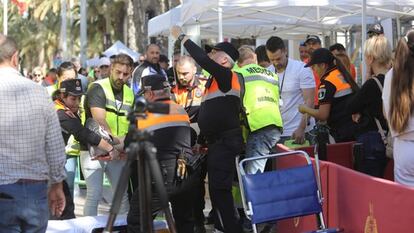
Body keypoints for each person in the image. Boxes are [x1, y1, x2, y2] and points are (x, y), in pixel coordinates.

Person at [171, 25, 244, 233]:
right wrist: (202, 141)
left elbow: (201, 60)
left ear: (224, 60)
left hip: (225, 142)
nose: (209, 54)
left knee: (220, 191)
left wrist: (182, 38)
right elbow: (212, 115)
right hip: (215, 143)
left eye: (214, 51)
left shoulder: (226, 75)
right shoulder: (215, 81)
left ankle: (231, 228)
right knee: (217, 191)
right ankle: (225, 227)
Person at [0, 33, 66, 231]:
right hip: (35, 190)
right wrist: (58, 184)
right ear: (15, 57)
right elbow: (55, 144)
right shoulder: (39, 92)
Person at [127, 74, 197, 233]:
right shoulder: (180, 109)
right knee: (184, 220)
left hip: (161, 174)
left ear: (150, 94)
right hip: (186, 171)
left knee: (137, 220)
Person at [81, 53, 134, 216]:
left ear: (131, 72)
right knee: (94, 195)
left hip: (118, 151)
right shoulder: (98, 87)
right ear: (111, 69)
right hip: (94, 148)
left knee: (122, 196)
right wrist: (116, 147)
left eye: (125, 74)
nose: (121, 77)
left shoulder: (130, 93)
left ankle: (123, 228)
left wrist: (121, 148)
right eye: (118, 72)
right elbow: (100, 122)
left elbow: (131, 124)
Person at [172, 55, 207, 233]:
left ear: (194, 70)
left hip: (208, 142)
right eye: (179, 74)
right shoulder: (173, 89)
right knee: (194, 187)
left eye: (185, 73)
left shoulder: (206, 84)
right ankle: (197, 222)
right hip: (187, 146)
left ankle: (202, 220)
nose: (182, 77)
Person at [234, 45, 283, 174]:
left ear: (238, 63)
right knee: (272, 172)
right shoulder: (272, 74)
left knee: (253, 176)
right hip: (276, 126)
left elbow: (236, 103)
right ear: (254, 57)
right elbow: (278, 101)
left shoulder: (239, 74)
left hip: (258, 127)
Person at [348, 36, 391, 177]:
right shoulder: (397, 80)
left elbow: (352, 106)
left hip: (372, 140)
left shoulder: (372, 84)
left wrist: (367, 74)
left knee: (371, 188)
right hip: (392, 138)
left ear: (371, 58)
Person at [299, 48, 359, 143]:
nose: (313, 70)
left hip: (341, 135)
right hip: (355, 131)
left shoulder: (327, 83)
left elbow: (323, 115)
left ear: (322, 65)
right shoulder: (341, 75)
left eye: (314, 67)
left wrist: (305, 109)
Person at [266, 36, 315, 144]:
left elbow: (310, 102)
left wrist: (301, 128)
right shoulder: (267, 72)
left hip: (299, 132)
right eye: (272, 59)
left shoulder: (302, 68)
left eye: (278, 58)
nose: (275, 63)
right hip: (277, 134)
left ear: (285, 51)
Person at [382, 30, 414, 187]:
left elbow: (385, 112)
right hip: (403, 143)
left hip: (403, 146)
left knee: (407, 205)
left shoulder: (391, 75)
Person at [304, 34, 323, 106]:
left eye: (314, 44)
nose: (311, 46)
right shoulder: (303, 65)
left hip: (324, 103)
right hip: (309, 104)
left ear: (320, 45)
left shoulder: (325, 63)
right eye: (309, 44)